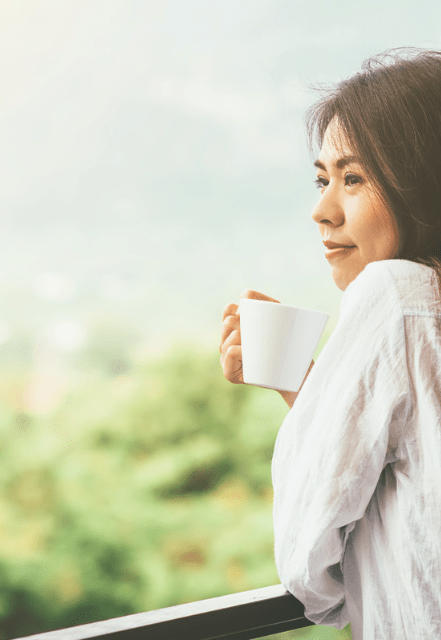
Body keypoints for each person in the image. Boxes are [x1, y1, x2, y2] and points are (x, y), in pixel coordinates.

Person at [219, 48, 441, 640]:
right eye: (323, 179)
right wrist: (313, 389)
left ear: (422, 179)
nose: (322, 210)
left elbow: (308, 560)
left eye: (353, 178)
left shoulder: (398, 291)